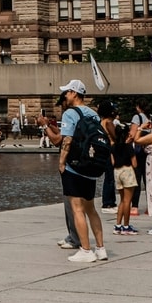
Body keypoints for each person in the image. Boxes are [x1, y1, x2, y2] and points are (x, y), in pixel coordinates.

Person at [39, 79, 108, 263]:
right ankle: (100, 248)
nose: (65, 95)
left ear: (75, 93)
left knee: (77, 209)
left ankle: (86, 250)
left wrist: (61, 163)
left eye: (67, 92)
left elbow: (66, 140)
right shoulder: (93, 114)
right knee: (91, 209)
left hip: (75, 166)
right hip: (91, 166)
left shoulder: (70, 113)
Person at [110, 120, 140, 235]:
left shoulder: (113, 147)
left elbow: (112, 162)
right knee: (128, 201)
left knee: (122, 200)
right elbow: (135, 163)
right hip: (127, 171)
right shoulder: (128, 147)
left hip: (117, 172)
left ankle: (118, 225)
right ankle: (126, 226)